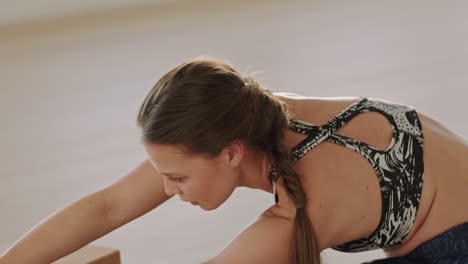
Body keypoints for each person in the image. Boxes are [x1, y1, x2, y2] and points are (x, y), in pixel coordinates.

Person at [1, 56, 467, 264]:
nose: (166, 189)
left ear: (231, 154)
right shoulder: (247, 113)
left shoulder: (297, 214)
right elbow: (108, 206)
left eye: (177, 178)